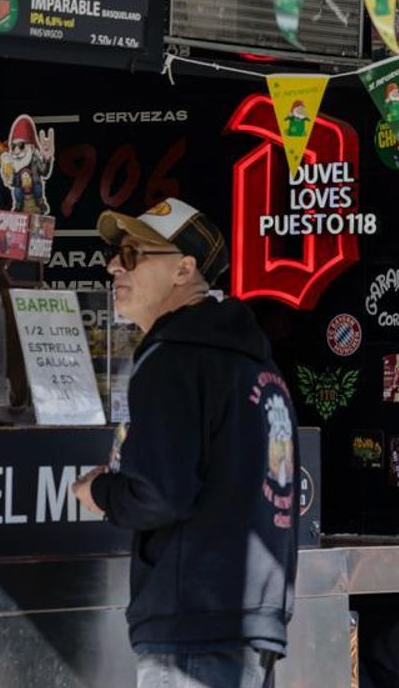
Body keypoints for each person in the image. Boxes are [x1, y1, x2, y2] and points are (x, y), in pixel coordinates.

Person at [73, 198, 298, 688]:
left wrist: (100, 492)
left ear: (184, 269)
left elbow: (161, 493)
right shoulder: (255, 362)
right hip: (251, 622)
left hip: (192, 625)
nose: (113, 267)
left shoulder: (172, 358)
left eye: (132, 254)